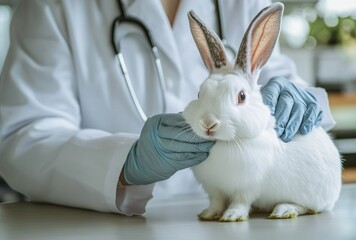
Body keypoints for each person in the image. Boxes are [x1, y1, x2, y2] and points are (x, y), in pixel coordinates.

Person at [0, 0, 335, 216]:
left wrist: (302, 101)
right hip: (104, 227)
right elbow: (22, 136)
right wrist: (124, 163)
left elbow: (286, 87)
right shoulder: (53, 6)